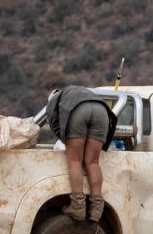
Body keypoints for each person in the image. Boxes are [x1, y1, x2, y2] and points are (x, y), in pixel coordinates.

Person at [41, 82, 113, 223]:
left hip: (79, 111)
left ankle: (78, 206)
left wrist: (67, 141)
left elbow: (54, 124)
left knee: (75, 161)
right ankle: (97, 208)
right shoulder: (77, 92)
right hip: (102, 111)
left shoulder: (54, 101)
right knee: (92, 162)